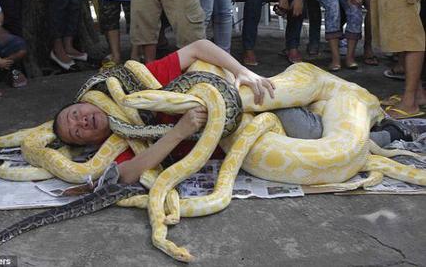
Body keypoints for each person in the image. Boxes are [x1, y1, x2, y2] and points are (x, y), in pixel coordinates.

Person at [52, 39, 415, 184]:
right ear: (92, 141)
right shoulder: (123, 139)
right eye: (77, 133)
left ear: (86, 100)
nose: (81, 124)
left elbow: (198, 46)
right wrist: (179, 132)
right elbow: (126, 176)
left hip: (242, 97)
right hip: (232, 135)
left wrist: (242, 71)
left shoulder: (140, 81)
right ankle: (382, 135)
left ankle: (350, 110)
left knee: (283, 108)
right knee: (311, 139)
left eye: (74, 116)